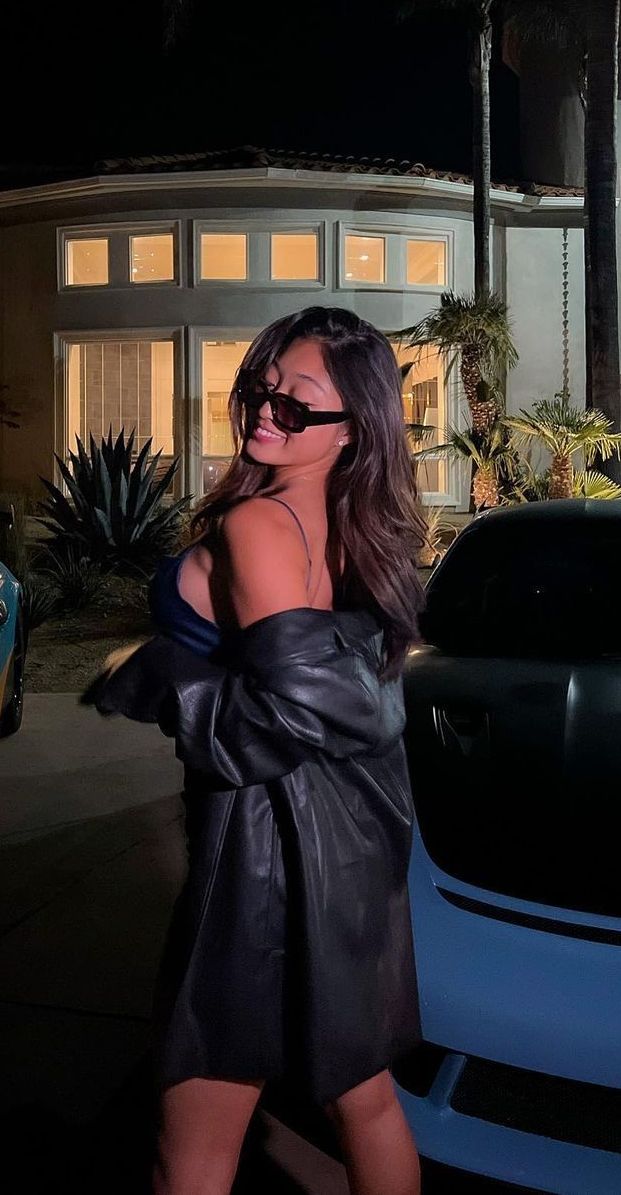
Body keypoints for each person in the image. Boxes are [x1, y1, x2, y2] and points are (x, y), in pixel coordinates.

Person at [81, 306, 428, 1195]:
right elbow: (360, 694)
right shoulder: (356, 529)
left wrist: (164, 679)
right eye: (260, 389)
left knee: (192, 1145)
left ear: (352, 429)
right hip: (349, 846)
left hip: (265, 857)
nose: (269, 412)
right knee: (366, 1101)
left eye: (298, 403)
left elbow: (308, 709)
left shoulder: (261, 526)